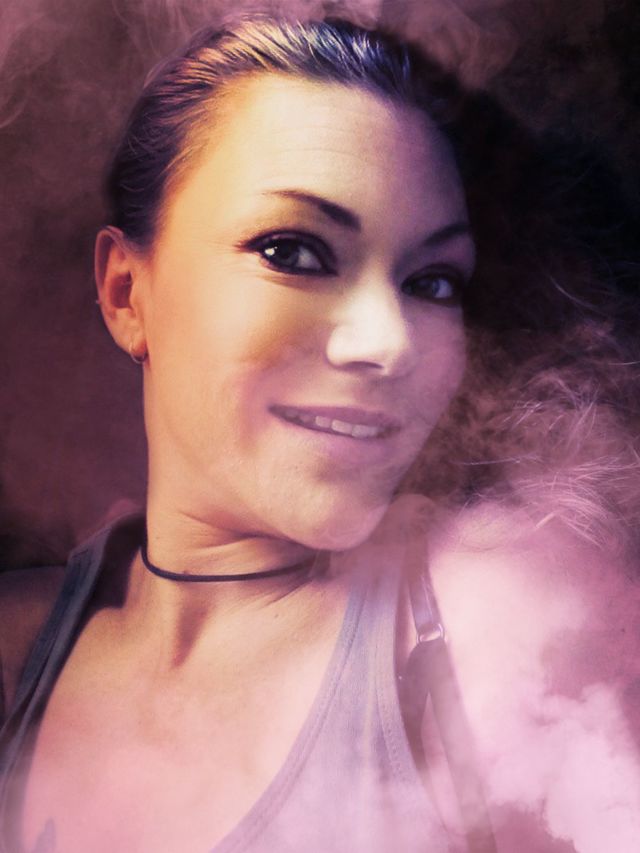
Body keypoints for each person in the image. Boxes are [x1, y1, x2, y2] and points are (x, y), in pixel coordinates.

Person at [0, 14, 638, 853]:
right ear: (126, 293)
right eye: (293, 252)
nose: (391, 342)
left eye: (432, 281)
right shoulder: (18, 644)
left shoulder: (497, 641)